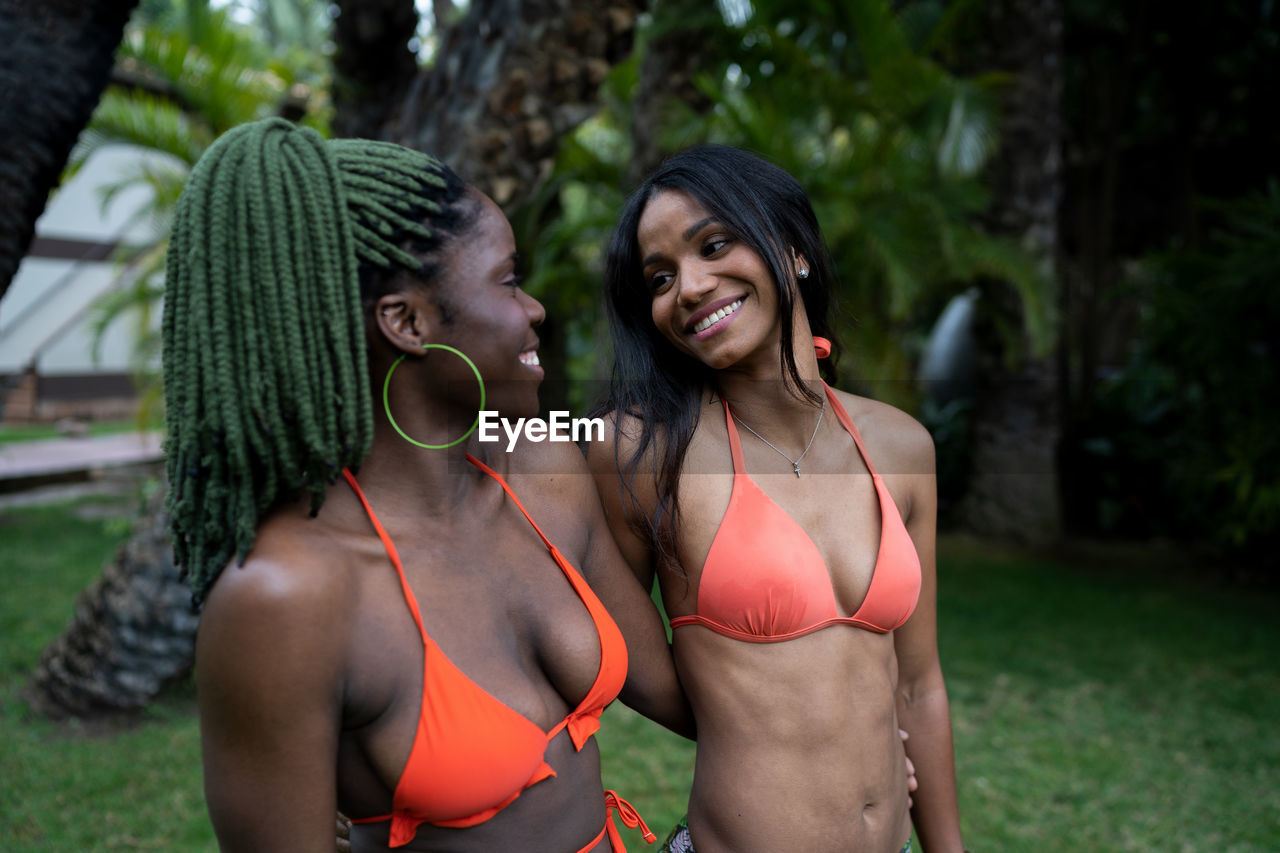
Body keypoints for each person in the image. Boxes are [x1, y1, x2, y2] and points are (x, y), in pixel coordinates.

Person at [163, 117, 691, 852]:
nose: (535, 308)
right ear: (408, 322)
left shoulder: (542, 471)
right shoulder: (289, 594)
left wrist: (846, 730)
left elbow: (677, 692)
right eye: (508, 280)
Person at [587, 145, 966, 853]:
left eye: (715, 244)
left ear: (792, 250)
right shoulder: (645, 452)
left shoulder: (901, 446)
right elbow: (610, 640)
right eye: (660, 277)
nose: (690, 286)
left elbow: (919, 684)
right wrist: (755, 719)